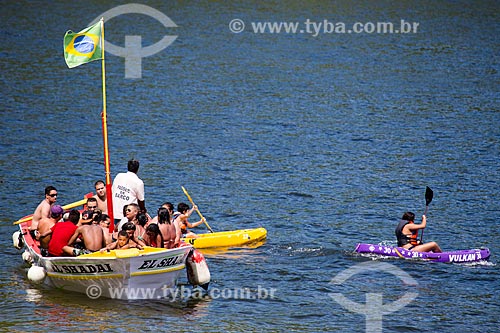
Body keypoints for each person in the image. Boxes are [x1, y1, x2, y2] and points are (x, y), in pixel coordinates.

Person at [112, 159, 146, 226]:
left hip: (115, 211)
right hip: (128, 215)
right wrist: (143, 210)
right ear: (137, 169)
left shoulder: (119, 176)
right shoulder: (138, 182)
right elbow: (141, 200)